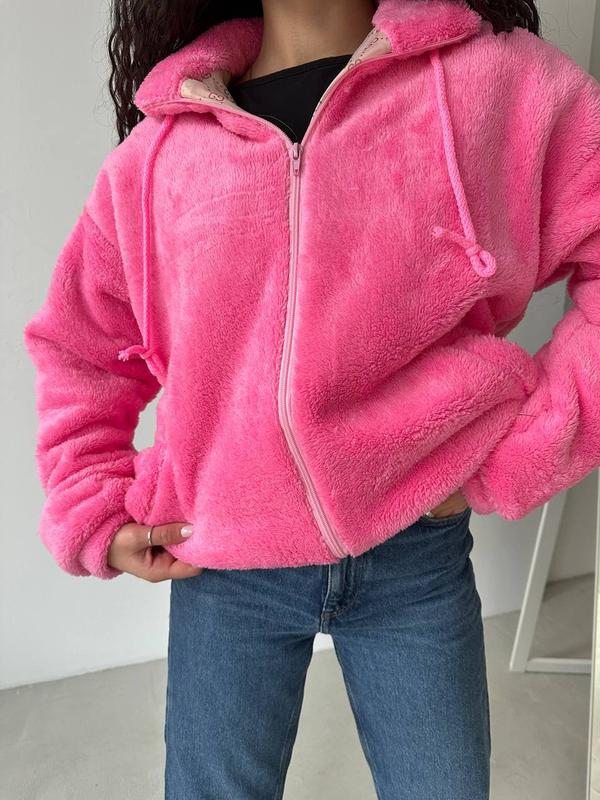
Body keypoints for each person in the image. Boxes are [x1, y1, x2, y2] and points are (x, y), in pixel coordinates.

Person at [23, 0, 600, 797]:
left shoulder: (496, 85)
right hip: (224, 568)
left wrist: (520, 453)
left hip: (414, 554)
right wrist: (91, 502)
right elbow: (80, 343)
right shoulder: (160, 152)